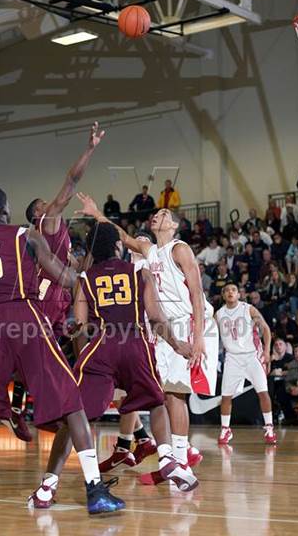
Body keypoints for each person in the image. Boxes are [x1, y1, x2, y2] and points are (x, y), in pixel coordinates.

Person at [0, 185, 123, 522]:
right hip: (28, 319)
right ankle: (95, 491)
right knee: (71, 402)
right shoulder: (26, 236)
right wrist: (81, 268)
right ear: (7, 208)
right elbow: (68, 279)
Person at [28, 223, 198, 508]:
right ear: (118, 247)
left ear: (93, 251)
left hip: (102, 347)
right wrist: (178, 345)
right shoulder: (139, 272)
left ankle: (48, 486)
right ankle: (167, 458)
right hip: (135, 343)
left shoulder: (84, 277)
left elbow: (80, 327)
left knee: (74, 416)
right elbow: (156, 317)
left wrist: (81, 357)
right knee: (156, 403)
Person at [76, 193, 219, 476]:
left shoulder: (180, 249)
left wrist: (198, 336)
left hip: (187, 322)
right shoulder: (147, 249)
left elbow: (197, 294)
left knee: (175, 393)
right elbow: (117, 236)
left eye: (165, 214)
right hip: (162, 326)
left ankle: (179, 461)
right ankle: (171, 456)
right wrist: (96, 214)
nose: (158, 215)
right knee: (161, 392)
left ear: (174, 226)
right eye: (157, 213)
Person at [14, 123, 105, 423]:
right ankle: (54, 407)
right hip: (44, 302)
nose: (50, 204)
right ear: (37, 215)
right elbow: (70, 183)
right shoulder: (46, 223)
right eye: (43, 204)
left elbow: (77, 272)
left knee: (51, 354)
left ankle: (26, 403)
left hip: (57, 301)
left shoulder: (60, 234)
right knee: (51, 358)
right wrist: (90, 149)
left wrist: (95, 244)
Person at [216, 283, 277, 445]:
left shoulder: (248, 309)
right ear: (223, 295)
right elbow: (211, 337)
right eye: (227, 290)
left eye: (233, 290)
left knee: (263, 392)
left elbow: (265, 328)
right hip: (232, 358)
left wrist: (266, 351)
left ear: (238, 294)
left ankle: (269, 427)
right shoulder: (219, 314)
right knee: (226, 396)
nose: (230, 292)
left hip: (252, 356)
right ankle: (225, 429)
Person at [277, 343, 298, 424]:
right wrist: (290, 388)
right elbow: (288, 381)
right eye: (295, 351)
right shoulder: (292, 364)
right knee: (281, 392)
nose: (297, 353)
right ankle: (291, 418)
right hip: (296, 389)